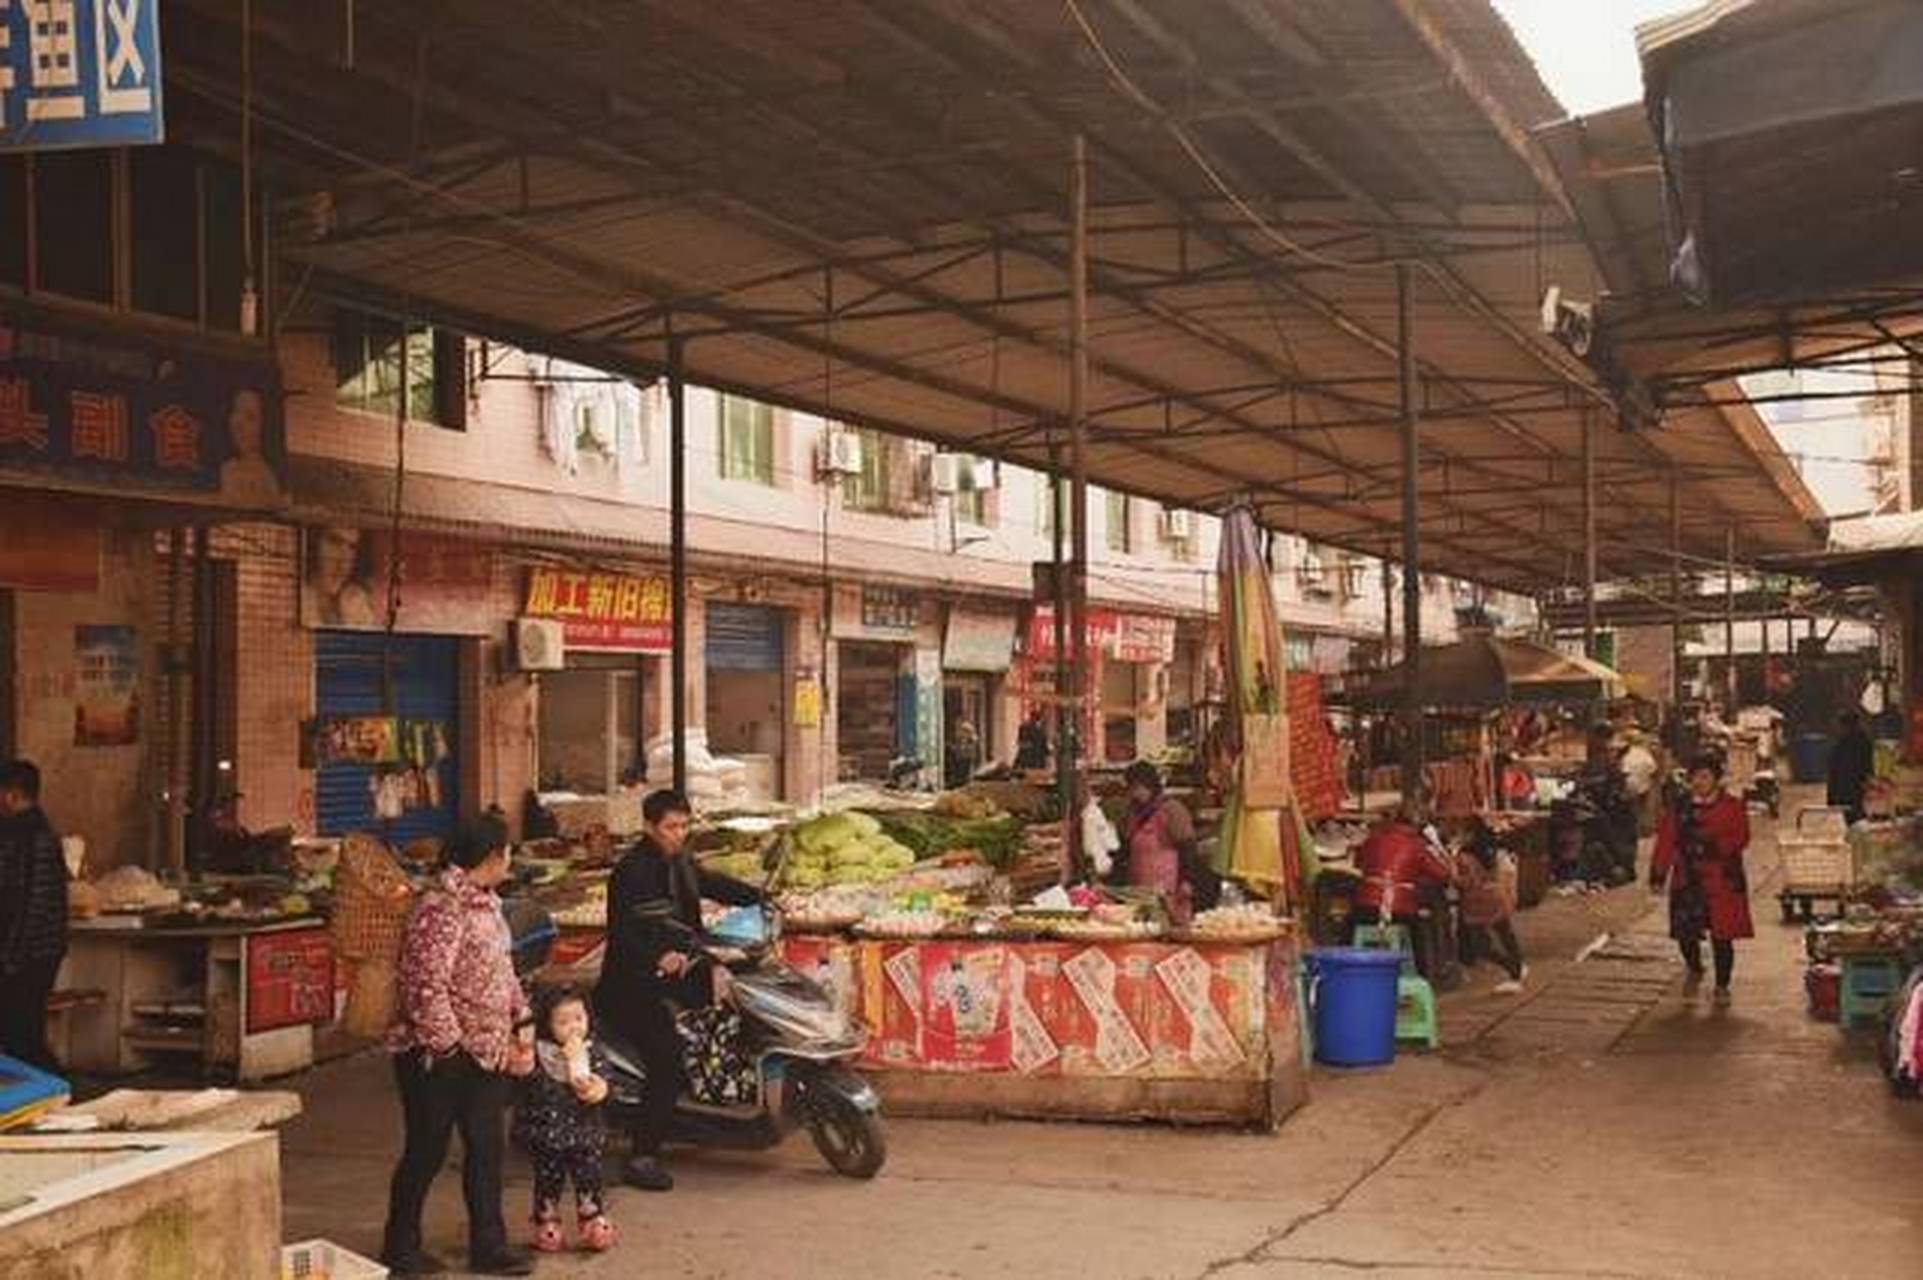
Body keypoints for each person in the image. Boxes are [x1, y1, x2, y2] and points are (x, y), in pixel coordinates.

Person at [381, 815, 536, 1278]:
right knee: (427, 1149)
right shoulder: (440, 907)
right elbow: (424, 984)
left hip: (485, 1051)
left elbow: (501, 969)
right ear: (492, 857)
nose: (510, 860)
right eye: (507, 852)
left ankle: (489, 1245)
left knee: (487, 1149)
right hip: (436, 1056)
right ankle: (401, 1247)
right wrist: (448, 1048)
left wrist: (520, 1015)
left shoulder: (487, 905)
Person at [595, 788, 762, 1192]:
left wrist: (760, 897)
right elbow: (625, 933)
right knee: (667, 1058)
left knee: (727, 1020)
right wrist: (658, 956)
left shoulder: (681, 860)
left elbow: (710, 883)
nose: (679, 834)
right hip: (634, 985)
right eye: (671, 827)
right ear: (650, 827)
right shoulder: (632, 871)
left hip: (681, 971)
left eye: (685, 825)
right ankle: (643, 1154)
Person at [514, 987, 615, 1255]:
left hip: (585, 1131)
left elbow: (607, 1077)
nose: (573, 1027)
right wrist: (525, 1062)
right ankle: (546, 1221)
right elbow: (525, 1085)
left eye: (579, 1018)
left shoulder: (593, 1049)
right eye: (563, 1021)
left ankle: (592, 1219)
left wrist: (596, 1086)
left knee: (590, 1176)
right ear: (547, 1025)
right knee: (548, 1180)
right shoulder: (540, 1054)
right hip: (548, 1132)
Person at [1650, 752, 1752, 1006]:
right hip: (1687, 878)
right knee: (1686, 933)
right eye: (1694, 777)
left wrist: (1714, 847)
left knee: (1722, 936)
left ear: (1716, 779)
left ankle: (1721, 984)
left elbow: (1741, 836)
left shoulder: (1732, 806)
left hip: (1722, 880)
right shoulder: (1679, 808)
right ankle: (1694, 966)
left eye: (1705, 776)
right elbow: (1666, 841)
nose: (1699, 782)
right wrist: (1658, 873)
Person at [0, 761, 67, 1072]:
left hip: (30, 953)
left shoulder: (31, 836)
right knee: (19, 1032)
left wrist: (12, 956)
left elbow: (32, 903)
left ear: (11, 795)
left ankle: (55, 1090)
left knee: (21, 1034)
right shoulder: (25, 833)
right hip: (33, 950)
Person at [1108, 760, 1219, 919]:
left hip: (1168, 890)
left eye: (1138, 787)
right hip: (1138, 890)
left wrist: (1187, 881)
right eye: (1131, 788)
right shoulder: (1131, 814)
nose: (1135, 793)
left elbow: (1188, 848)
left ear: (1151, 785)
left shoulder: (1172, 810)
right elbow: (1124, 851)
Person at [1353, 804, 1453, 977]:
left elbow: (1359, 862)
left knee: (1348, 934)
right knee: (1417, 941)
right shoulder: (1417, 845)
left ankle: (1355, 975)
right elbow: (1443, 875)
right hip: (1400, 909)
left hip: (1365, 905)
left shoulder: (1374, 839)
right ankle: (1420, 980)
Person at [1452, 818, 1527, 995]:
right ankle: (1517, 967)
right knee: (1506, 934)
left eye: (1462, 832)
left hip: (1477, 902)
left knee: (1481, 945)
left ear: (1470, 834)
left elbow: (1466, 882)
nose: (1459, 836)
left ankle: (1512, 967)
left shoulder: (1464, 856)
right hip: (1496, 896)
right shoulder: (1491, 850)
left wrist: (1452, 873)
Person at [305, 525, 377, 628]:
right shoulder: (296, 599)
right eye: (334, 542)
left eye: (352, 547)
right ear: (314, 543)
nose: (344, 560)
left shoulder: (358, 603)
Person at [218, 388, 281, 506]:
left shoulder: (268, 476)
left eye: (250, 417)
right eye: (236, 411)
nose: (238, 424)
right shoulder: (228, 469)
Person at [1827, 710, 1874, 825]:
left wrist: (1831, 795)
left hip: (1848, 786)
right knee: (1854, 813)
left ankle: (1859, 837)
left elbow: (1834, 769)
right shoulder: (1864, 740)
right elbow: (1868, 764)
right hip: (1856, 785)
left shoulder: (1842, 743)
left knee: (1853, 815)